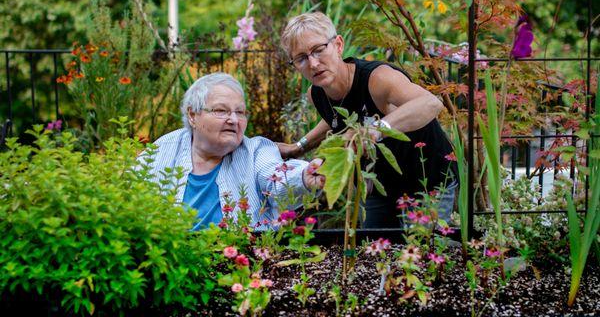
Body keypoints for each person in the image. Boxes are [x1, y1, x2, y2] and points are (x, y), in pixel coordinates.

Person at [277, 12, 457, 228]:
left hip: (428, 180)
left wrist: (375, 129)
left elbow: (430, 103)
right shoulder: (317, 94)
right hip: (382, 186)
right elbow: (335, 121)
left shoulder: (377, 79)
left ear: (338, 45)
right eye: (301, 58)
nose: (313, 63)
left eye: (318, 50)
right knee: (372, 251)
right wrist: (298, 147)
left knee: (421, 254)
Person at [141, 73, 324, 230]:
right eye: (221, 110)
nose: (234, 120)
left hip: (241, 267)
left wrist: (304, 177)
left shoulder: (256, 151)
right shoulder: (161, 151)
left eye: (240, 112)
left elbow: (277, 179)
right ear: (192, 115)